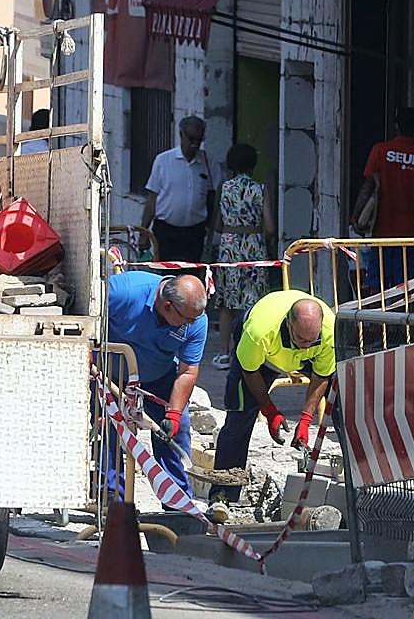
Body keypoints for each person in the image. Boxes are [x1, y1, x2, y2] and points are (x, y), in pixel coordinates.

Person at [207, 290, 335, 519]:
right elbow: (250, 372)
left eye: (311, 340)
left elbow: (321, 376)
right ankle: (221, 494)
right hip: (260, 357)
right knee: (239, 417)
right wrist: (270, 411)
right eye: (301, 339)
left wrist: (305, 420)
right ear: (288, 324)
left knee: (343, 396)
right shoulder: (259, 332)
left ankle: (355, 478)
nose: (307, 345)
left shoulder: (327, 333)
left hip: (298, 358)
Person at [105, 270, 208, 497]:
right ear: (167, 306)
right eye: (188, 319)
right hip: (108, 373)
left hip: (158, 378)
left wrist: (173, 414)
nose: (193, 323)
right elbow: (84, 315)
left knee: (174, 430)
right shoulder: (124, 292)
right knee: (108, 429)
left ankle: (177, 502)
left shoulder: (197, 321)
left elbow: (188, 370)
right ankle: (113, 500)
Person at [350, 106, 414, 291]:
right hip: (410, 234)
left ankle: (375, 320)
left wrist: (356, 217)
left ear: (396, 125)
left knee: (376, 285)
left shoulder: (380, 151)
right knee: (406, 287)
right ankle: (403, 319)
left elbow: (368, 187)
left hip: (382, 232)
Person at [212, 143, 275, 371]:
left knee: (227, 302)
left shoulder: (225, 187)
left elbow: (218, 224)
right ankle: (252, 351)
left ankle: (223, 354)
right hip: (254, 246)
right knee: (255, 299)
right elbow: (269, 226)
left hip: (229, 246)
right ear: (253, 164)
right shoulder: (260, 189)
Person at [141, 116, 215, 263]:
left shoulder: (208, 163)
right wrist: (144, 232)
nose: (195, 145)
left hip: (195, 233)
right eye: (191, 139)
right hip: (166, 232)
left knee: (191, 278)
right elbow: (152, 200)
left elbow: (212, 198)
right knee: (165, 277)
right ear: (181, 135)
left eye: (199, 140)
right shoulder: (163, 161)